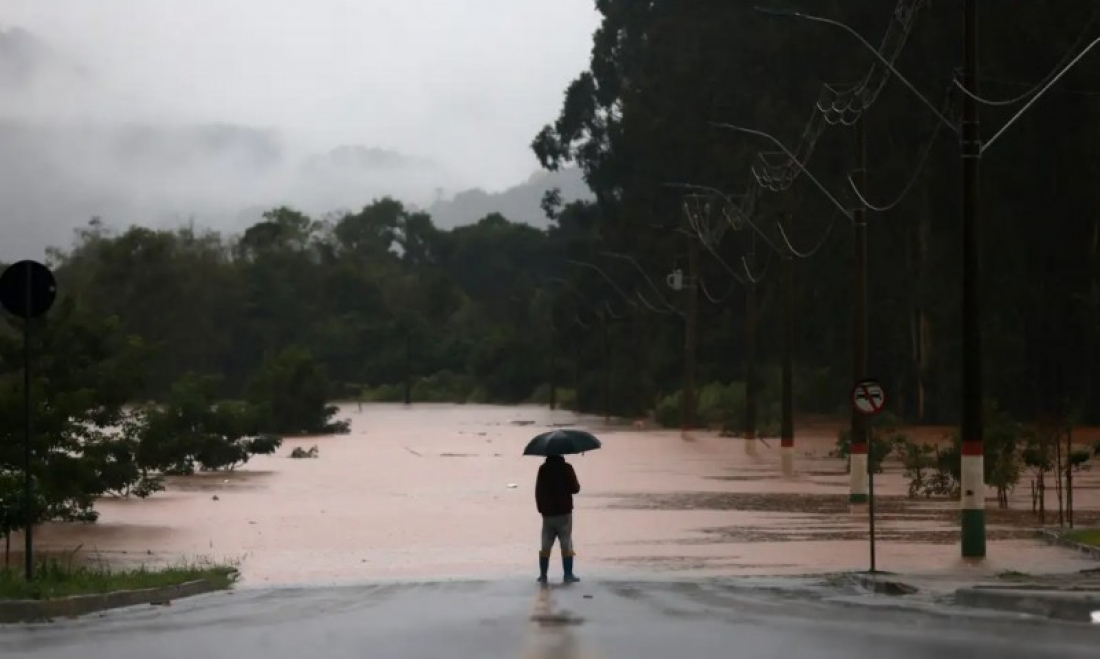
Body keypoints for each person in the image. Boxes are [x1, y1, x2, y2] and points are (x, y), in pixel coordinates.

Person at [535, 453, 581, 584]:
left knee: (546, 543)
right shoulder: (567, 468)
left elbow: (538, 491)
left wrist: (541, 509)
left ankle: (543, 575)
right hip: (564, 512)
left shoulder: (543, 469)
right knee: (566, 543)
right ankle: (568, 574)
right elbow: (575, 489)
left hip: (548, 513)